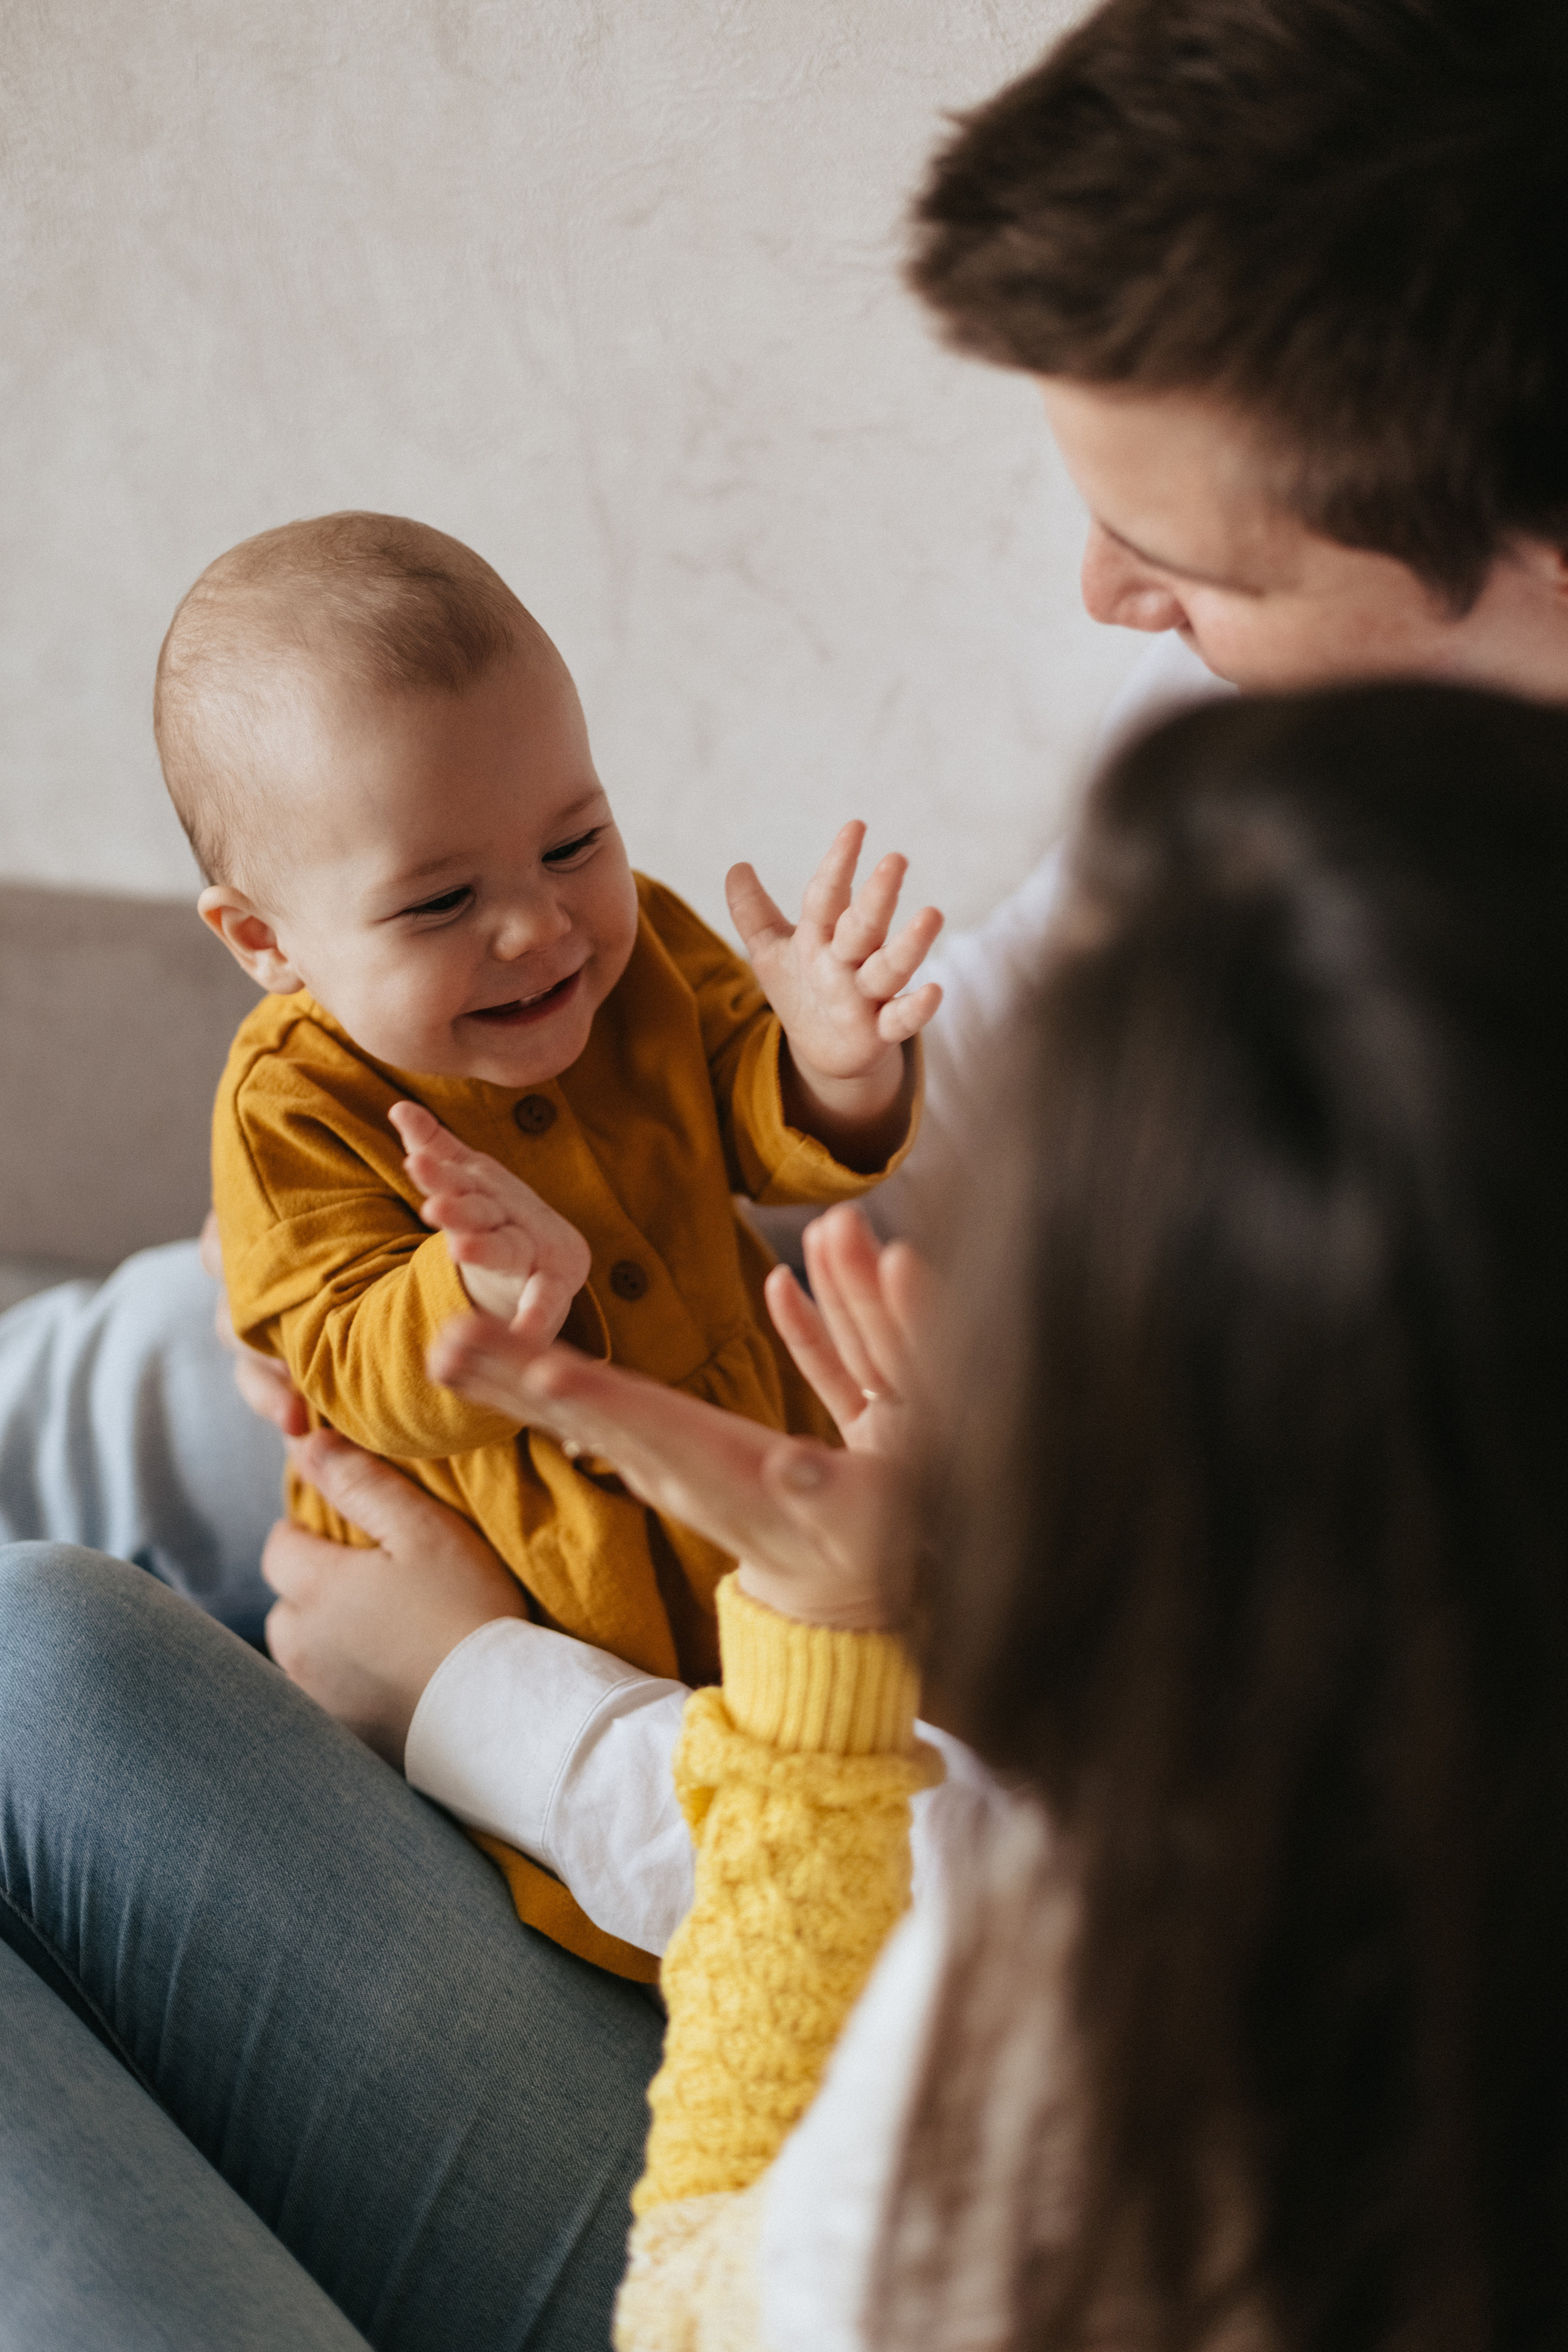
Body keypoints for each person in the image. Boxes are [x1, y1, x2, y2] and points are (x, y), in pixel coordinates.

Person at [2, 0, 1567, 2334]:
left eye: (1185, 562)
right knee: (43, 1657)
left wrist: (489, 1696)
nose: (1104, 610)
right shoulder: (1293, 775)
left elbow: (977, 2009)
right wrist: (805, 1103)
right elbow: (848, 1174)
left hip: (891, 2105)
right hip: (832, 1911)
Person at [435, 678, 1568, 2347]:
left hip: (769, 2206)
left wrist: (533, 1685)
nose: (1119, 594)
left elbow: (695, 2300)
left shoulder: (1085, 2033)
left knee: (55, 1680)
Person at [163, 509, 939, 1971]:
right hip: (530, 1566)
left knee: (835, 1712)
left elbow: (749, 1111)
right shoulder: (292, 1105)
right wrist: (471, 1294)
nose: (540, 927)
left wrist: (836, 1064)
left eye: (573, 839)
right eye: (441, 901)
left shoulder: (633, 940)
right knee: (590, 1913)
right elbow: (328, 1352)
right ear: (264, 941)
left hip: (743, 1471)